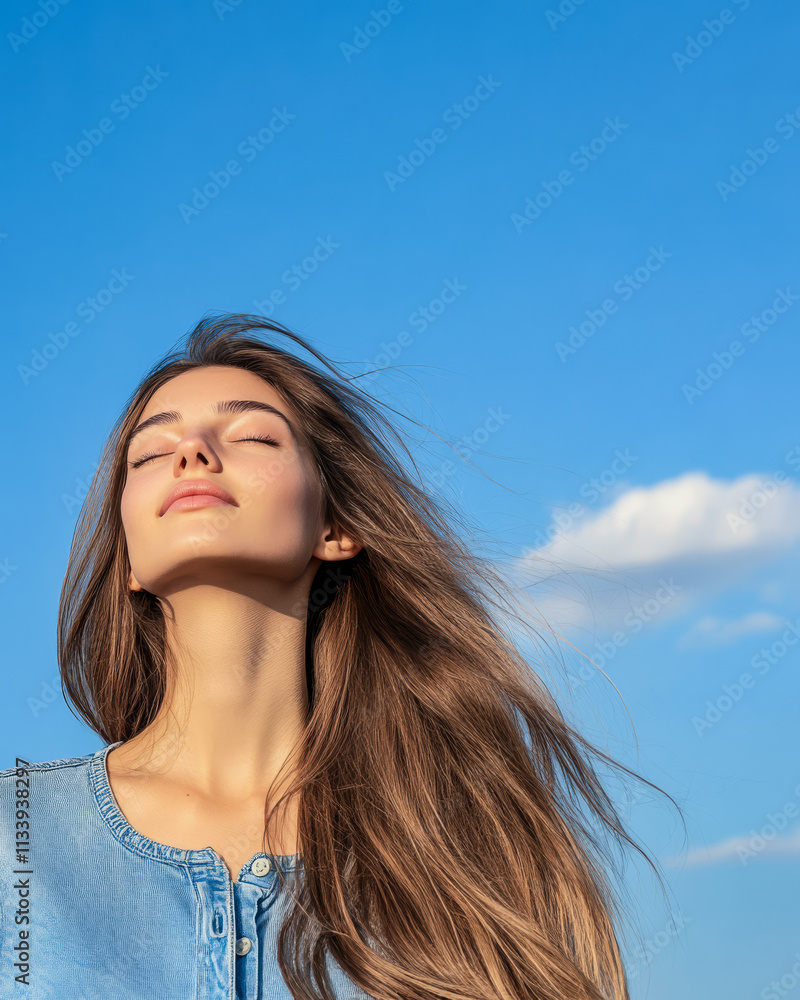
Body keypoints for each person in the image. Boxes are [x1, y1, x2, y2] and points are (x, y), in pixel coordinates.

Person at [0, 313, 678, 999]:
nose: (193, 453)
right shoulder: (13, 837)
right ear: (129, 561)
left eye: (253, 435)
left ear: (336, 526)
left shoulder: (460, 853)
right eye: (150, 453)